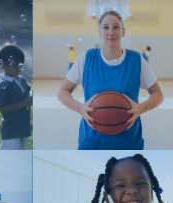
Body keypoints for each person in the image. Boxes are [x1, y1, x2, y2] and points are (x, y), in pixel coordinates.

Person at [57, 11, 164, 150]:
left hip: (129, 142)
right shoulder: (86, 58)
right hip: (92, 142)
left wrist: (140, 108)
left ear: (123, 31)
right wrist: (80, 108)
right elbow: (62, 92)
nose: (111, 32)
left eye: (116, 27)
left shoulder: (136, 60)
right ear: (100, 32)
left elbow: (158, 94)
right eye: (106, 27)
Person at [0, 43, 32, 150]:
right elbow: (3, 109)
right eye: (15, 66)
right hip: (11, 133)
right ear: (2, 64)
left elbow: (30, 93)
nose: (19, 69)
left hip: (24, 131)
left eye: (21, 65)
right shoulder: (2, 85)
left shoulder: (21, 80)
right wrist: (24, 103)